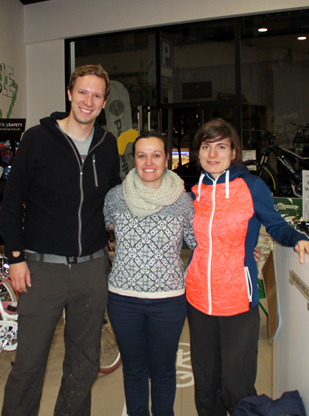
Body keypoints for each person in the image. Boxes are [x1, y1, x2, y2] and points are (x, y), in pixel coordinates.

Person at [0, 64, 121, 416]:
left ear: (104, 102)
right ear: (69, 93)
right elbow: (12, 201)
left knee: (84, 363)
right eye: (82, 92)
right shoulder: (37, 139)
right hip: (42, 269)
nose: (88, 101)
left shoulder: (107, 145)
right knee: (28, 364)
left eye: (96, 95)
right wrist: (15, 258)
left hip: (91, 269)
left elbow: (115, 200)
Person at [185, 118, 309, 415]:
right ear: (198, 153)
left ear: (234, 152)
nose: (213, 154)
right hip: (198, 299)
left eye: (221, 147)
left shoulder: (252, 186)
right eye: (206, 147)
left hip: (237, 299)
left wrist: (297, 238)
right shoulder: (194, 192)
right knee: (206, 384)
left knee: (237, 384)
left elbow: (276, 225)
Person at [104, 130, 195, 416]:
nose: (148, 162)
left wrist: (242, 251)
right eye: (142, 156)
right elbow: (93, 231)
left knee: (163, 371)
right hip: (123, 300)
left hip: (168, 301)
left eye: (156, 155)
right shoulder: (116, 197)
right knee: (133, 371)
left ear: (167, 159)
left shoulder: (182, 201)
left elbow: (200, 243)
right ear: (134, 159)